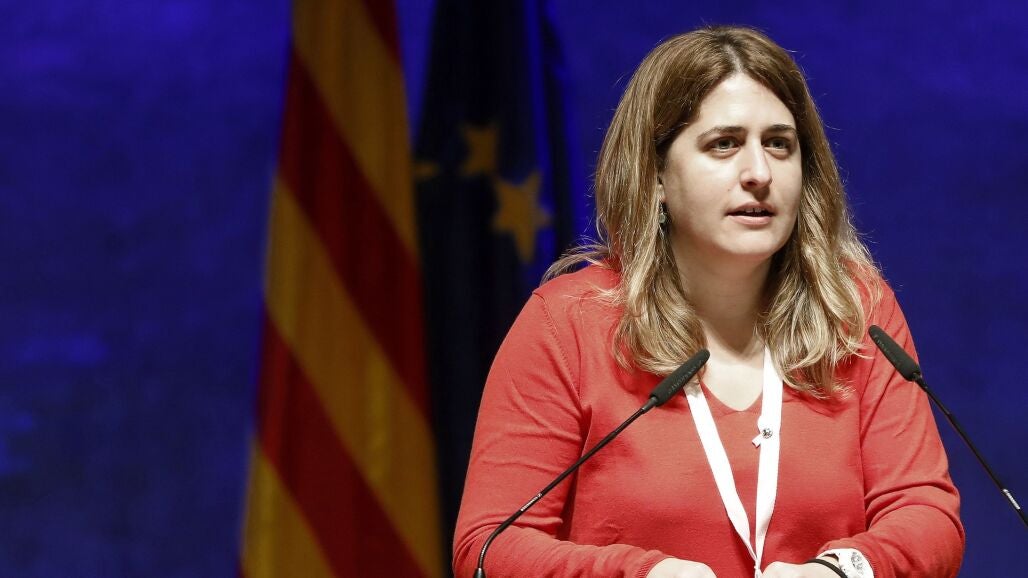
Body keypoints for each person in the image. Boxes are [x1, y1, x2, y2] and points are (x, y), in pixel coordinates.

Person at [452, 26, 964, 578]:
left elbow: (927, 515)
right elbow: (488, 547)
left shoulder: (856, 311)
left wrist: (842, 572)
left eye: (779, 144)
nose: (759, 174)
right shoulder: (568, 323)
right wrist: (643, 576)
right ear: (654, 175)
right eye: (724, 144)